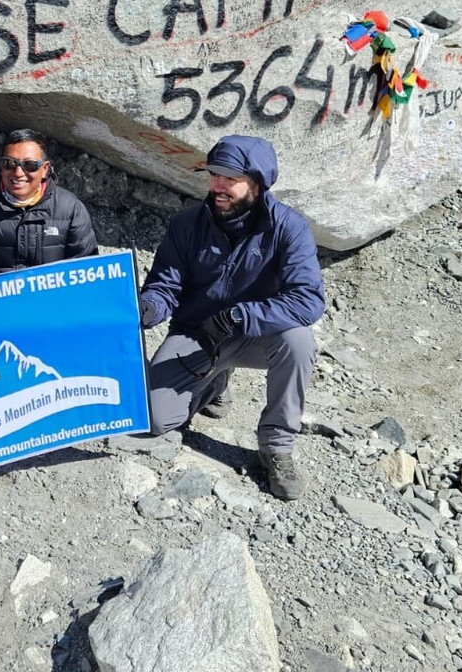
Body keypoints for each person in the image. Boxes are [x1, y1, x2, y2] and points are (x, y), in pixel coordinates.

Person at [139, 134, 325, 501]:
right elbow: (165, 285)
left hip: (258, 336)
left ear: (257, 184)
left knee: (299, 341)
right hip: (196, 336)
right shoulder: (187, 224)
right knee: (156, 420)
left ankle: (277, 447)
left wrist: (241, 316)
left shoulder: (289, 229)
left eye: (231, 179)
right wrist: (149, 308)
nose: (219, 186)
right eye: (214, 175)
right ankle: (213, 383)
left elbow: (308, 300)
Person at [0, 128, 98, 282]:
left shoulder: (70, 207)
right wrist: (6, 289)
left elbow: (87, 268)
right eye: (9, 163)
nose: (18, 173)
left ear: (45, 169)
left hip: (52, 301)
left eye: (29, 164)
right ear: (1, 167)